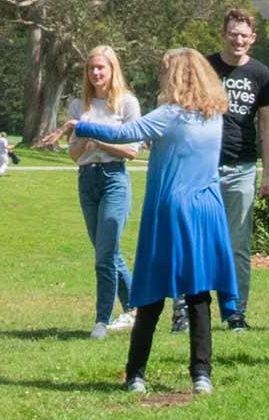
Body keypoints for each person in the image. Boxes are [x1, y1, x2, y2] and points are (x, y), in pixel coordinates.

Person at [60, 48, 238, 397]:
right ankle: (201, 375)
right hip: (207, 211)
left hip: (171, 210)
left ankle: (136, 374)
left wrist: (78, 124)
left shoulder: (169, 115)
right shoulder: (213, 115)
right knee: (199, 293)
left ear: (174, 77)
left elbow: (128, 133)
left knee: (152, 293)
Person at [48, 45, 142, 340]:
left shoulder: (127, 104)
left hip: (115, 178)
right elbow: (74, 155)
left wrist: (97, 139)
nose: (96, 73)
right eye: (91, 69)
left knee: (104, 255)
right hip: (87, 181)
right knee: (106, 250)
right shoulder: (79, 106)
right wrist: (82, 140)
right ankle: (136, 308)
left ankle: (101, 321)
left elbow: (131, 151)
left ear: (113, 70)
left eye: (101, 68)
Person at [202, 10, 269, 332]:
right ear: (224, 33)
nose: (238, 39)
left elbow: (267, 126)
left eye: (244, 35)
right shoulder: (206, 68)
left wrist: (268, 172)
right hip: (204, 167)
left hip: (242, 168)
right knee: (199, 241)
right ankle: (190, 310)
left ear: (253, 38)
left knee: (238, 245)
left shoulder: (261, 74)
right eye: (233, 33)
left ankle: (236, 312)